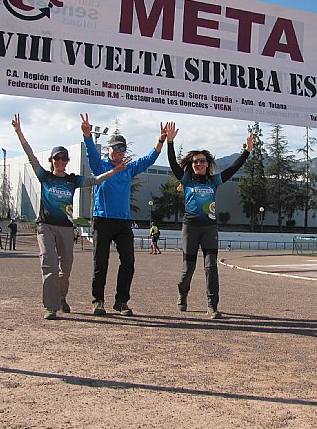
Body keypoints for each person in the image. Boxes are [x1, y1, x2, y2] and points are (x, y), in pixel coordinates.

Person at [12, 113, 128, 320]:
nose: (60, 161)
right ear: (52, 161)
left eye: (64, 158)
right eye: (57, 158)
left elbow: (96, 180)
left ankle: (62, 297)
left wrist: (116, 171)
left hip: (66, 228)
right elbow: (30, 155)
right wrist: (20, 133)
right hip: (45, 226)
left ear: (67, 162)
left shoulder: (72, 180)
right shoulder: (44, 176)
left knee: (65, 270)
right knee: (49, 264)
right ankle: (51, 307)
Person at [165, 121, 253, 319]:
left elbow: (233, 168)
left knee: (211, 267)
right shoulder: (186, 179)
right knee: (188, 268)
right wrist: (170, 143)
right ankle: (183, 292)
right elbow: (172, 164)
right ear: (191, 164)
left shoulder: (214, 181)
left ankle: (212, 306)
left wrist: (247, 150)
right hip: (191, 227)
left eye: (202, 160)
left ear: (207, 163)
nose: (198, 163)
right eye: (195, 161)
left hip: (209, 228)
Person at [81, 112, 166, 316]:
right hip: (102, 220)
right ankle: (97, 301)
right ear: (108, 149)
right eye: (115, 147)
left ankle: (121, 302)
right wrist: (87, 136)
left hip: (123, 222)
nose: (119, 151)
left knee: (128, 262)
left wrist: (160, 141)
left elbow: (148, 159)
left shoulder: (128, 168)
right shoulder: (99, 165)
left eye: (122, 148)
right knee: (100, 262)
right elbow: (91, 153)